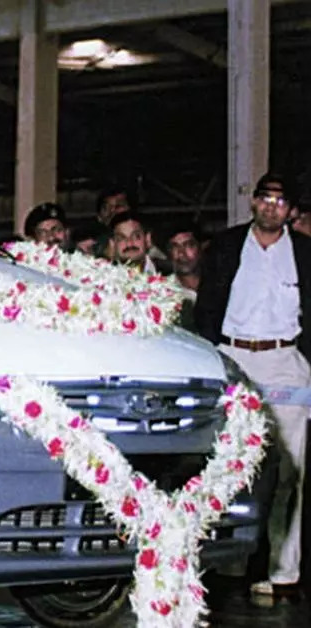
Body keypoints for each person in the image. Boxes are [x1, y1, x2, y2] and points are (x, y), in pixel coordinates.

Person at [195, 172, 311, 603]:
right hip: (236, 359)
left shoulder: (303, 253)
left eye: (280, 202)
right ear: (254, 202)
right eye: (264, 197)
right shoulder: (226, 246)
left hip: (285, 362)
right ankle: (227, 560)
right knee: (228, 463)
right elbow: (207, 306)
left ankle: (284, 568)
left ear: (291, 211)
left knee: (289, 471)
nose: (270, 206)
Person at [163, 220, 205, 330]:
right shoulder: (164, 292)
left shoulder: (219, 285)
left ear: (201, 248)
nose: (181, 253)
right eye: (175, 247)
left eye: (188, 245)